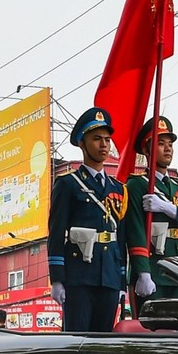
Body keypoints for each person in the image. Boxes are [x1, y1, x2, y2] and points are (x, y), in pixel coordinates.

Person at [47, 107, 129, 334]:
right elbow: (56, 232)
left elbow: (120, 237)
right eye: (96, 139)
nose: (104, 145)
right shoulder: (68, 183)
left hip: (109, 275)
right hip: (79, 275)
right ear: (82, 143)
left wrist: (122, 281)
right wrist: (57, 279)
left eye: (107, 139)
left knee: (102, 343)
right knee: (77, 341)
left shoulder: (118, 188)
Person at [123, 116, 178, 304]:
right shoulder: (137, 185)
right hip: (152, 268)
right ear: (146, 149)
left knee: (176, 330)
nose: (168, 148)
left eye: (170, 144)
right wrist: (143, 272)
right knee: (150, 330)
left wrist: (169, 208)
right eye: (161, 143)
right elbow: (136, 231)